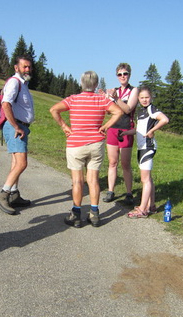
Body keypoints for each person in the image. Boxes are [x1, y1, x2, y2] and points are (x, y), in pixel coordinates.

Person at [50, 71, 123, 228]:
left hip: (76, 144)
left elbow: (54, 110)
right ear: (96, 85)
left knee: (77, 181)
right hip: (96, 144)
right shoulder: (102, 99)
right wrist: (105, 126)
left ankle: (76, 215)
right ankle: (94, 214)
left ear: (81, 83)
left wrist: (64, 126)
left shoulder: (73, 99)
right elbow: (118, 111)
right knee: (93, 180)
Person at [0, 56, 35, 215]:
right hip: (15, 127)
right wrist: (16, 126)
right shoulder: (14, 82)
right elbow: (6, 104)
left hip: (19, 126)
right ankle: (3, 195)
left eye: (29, 67)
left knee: (16, 162)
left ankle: (14, 194)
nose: (27, 69)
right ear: (16, 68)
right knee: (22, 164)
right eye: (24, 67)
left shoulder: (23, 84)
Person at [123, 86, 169, 218]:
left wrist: (152, 130)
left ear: (151, 97)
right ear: (138, 98)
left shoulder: (151, 109)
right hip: (141, 147)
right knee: (148, 178)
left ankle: (142, 209)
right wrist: (127, 133)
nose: (144, 100)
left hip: (147, 147)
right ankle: (152, 206)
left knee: (145, 179)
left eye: (147, 97)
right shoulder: (141, 111)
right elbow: (139, 129)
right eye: (142, 98)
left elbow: (165, 119)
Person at [99, 63, 139, 205]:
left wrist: (115, 99)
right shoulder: (114, 90)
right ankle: (110, 191)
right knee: (112, 162)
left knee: (125, 163)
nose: (122, 76)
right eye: (120, 74)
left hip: (126, 129)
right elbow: (109, 112)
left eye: (125, 73)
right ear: (116, 76)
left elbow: (128, 109)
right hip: (113, 128)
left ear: (129, 75)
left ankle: (129, 193)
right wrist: (104, 98)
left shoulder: (134, 90)